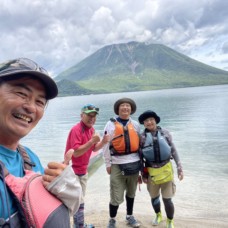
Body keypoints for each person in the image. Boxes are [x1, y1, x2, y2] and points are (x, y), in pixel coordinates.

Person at [0, 58, 81, 227]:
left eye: (40, 102)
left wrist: (67, 195)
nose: (31, 107)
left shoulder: (29, 157)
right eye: (21, 94)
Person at [65, 104, 110, 228]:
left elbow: (94, 148)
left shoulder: (91, 130)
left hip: (83, 170)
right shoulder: (76, 129)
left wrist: (103, 142)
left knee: (79, 199)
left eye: (94, 116)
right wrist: (92, 141)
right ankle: (79, 225)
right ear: (81, 115)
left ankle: (78, 224)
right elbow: (76, 152)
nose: (92, 118)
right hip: (73, 171)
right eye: (89, 115)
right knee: (78, 200)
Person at [138, 110, 184, 228]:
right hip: (151, 172)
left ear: (155, 120)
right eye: (146, 121)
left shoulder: (165, 133)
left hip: (166, 170)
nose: (149, 122)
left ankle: (170, 220)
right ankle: (158, 215)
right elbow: (140, 157)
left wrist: (179, 168)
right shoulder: (142, 137)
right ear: (144, 123)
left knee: (167, 199)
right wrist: (142, 174)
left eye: (151, 120)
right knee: (154, 197)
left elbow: (173, 150)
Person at [103, 98, 141, 228]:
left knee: (131, 193)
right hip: (117, 164)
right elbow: (106, 145)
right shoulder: (110, 124)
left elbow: (140, 145)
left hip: (135, 163)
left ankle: (129, 216)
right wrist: (108, 163)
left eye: (128, 106)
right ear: (118, 109)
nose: (125, 108)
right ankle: (112, 219)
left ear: (131, 109)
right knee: (115, 194)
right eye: (123, 106)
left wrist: (143, 168)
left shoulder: (135, 125)